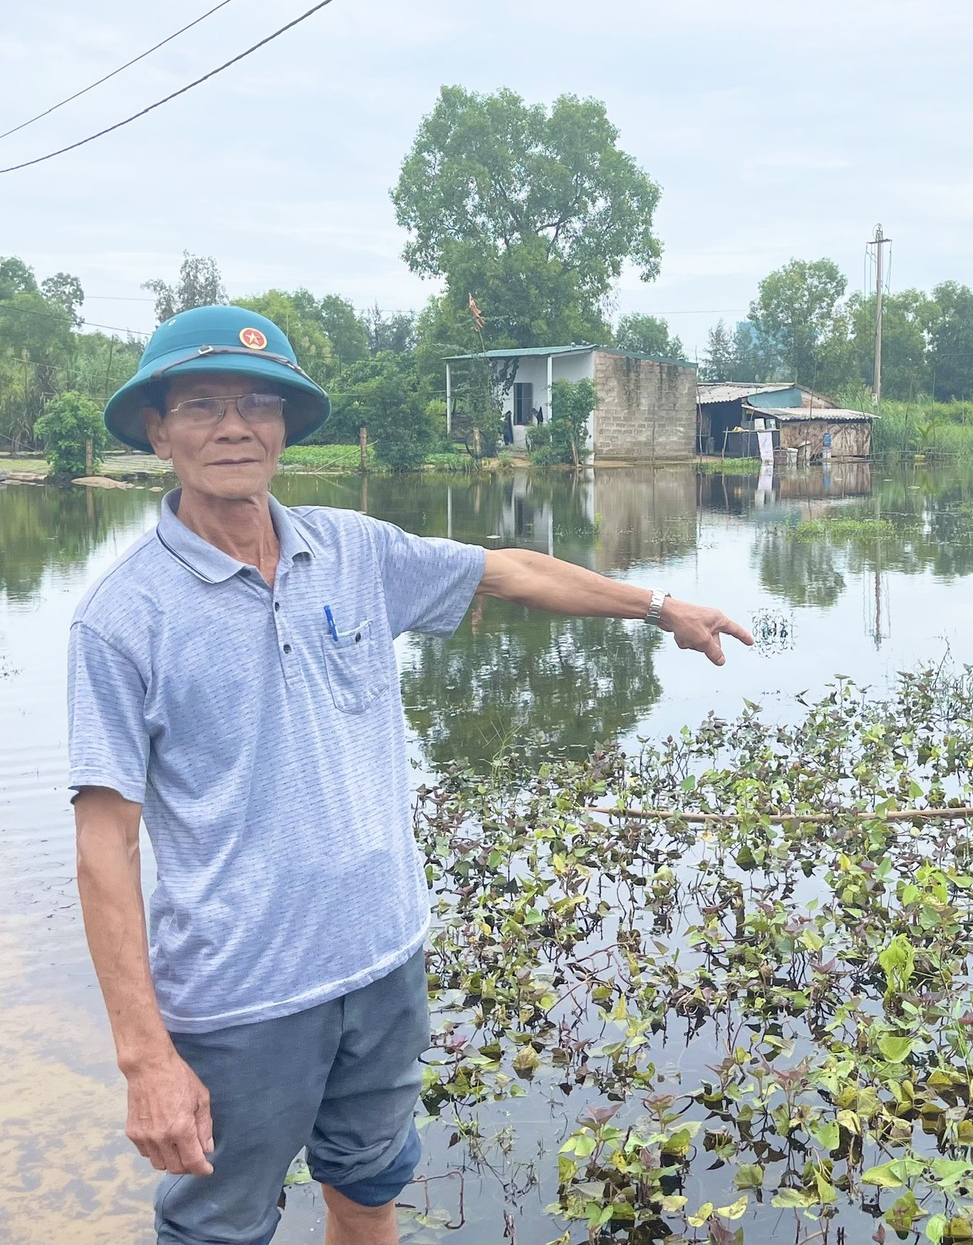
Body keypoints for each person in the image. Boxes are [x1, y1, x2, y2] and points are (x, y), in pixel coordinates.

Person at [67, 305, 751, 1245]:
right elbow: (105, 845)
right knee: (217, 1228)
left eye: (258, 403)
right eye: (202, 404)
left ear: (285, 426)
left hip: (384, 964)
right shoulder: (122, 618)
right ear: (157, 427)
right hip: (240, 999)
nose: (234, 426)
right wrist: (145, 1056)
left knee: (369, 1188)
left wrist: (659, 604)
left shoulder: (353, 550)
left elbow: (507, 570)